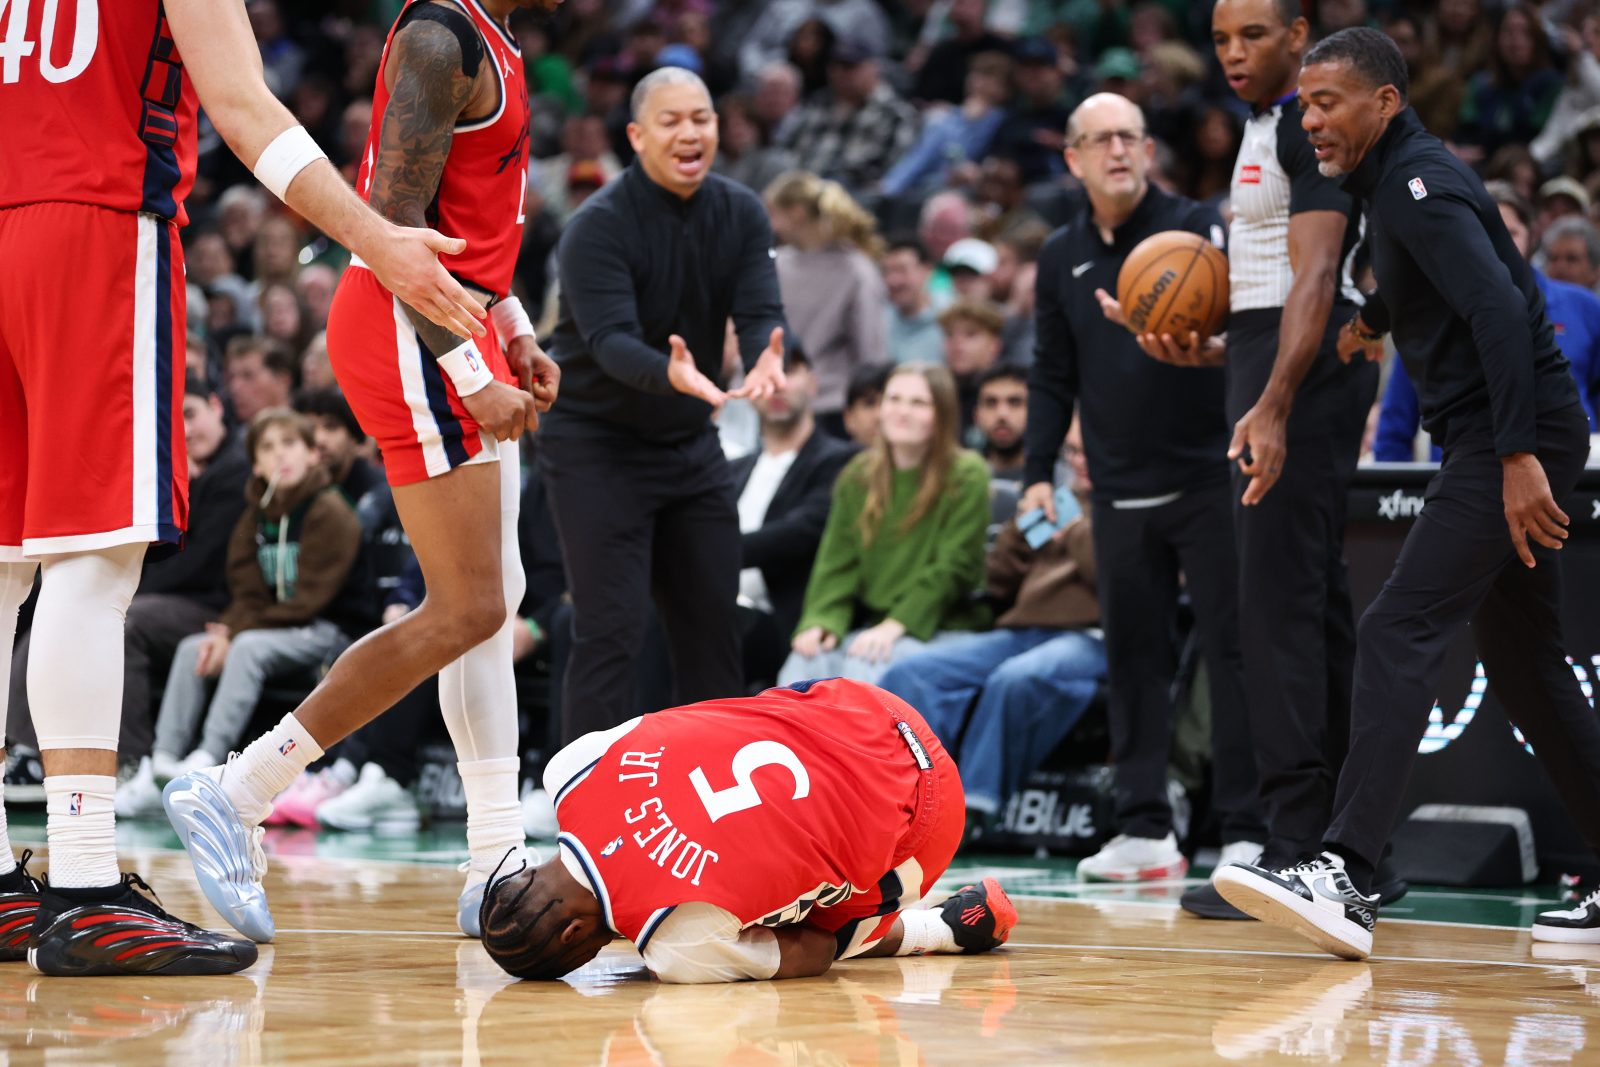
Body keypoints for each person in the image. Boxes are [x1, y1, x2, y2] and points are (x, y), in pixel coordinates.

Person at [0, 0, 488, 976]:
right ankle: (89, 886)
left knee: (6, 571)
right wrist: (377, 239)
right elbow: (244, 108)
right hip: (92, 225)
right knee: (92, 566)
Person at [161, 0, 565, 950]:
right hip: (407, 330)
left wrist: (513, 333)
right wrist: (472, 373)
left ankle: (493, 857)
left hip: (457, 325)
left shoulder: (499, 39)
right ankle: (240, 786)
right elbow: (394, 226)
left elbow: (473, 234)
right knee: (468, 605)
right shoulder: (439, 37)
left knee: (491, 599)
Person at [1214, 28, 1600, 960]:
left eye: (1328, 103)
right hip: (1509, 437)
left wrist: (1515, 460)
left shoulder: (1417, 186)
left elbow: (1506, 310)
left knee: (1396, 628)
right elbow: (1435, 276)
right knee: (1527, 667)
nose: (1310, 122)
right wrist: (1370, 324)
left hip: (1512, 442)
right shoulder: (1397, 183)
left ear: (1385, 101)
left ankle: (1345, 870)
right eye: (1304, 106)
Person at [1173, 0, 1385, 921]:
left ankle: (1298, 845)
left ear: (1301, 37)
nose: (1232, 54)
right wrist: (1212, 352)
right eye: (1220, 39)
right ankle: (1352, 845)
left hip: (1301, 371)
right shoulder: (1263, 126)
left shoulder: (1309, 126)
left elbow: (1317, 275)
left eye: (1252, 35)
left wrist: (1272, 398)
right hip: (1271, 358)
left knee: (1278, 607)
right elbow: (1267, 285)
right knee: (1313, 601)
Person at [1025, 93, 1263, 882]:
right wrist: (1035, 476)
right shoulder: (1059, 255)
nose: (1117, 150)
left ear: (1149, 149)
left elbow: (1244, 341)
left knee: (1234, 651)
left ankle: (1244, 827)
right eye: (1100, 139)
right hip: (1118, 489)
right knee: (1133, 659)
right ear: (1074, 158)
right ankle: (1144, 828)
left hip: (1208, 474)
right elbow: (1052, 375)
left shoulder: (1197, 228)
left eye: (1130, 136)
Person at [536, 67, 788, 752]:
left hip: (687, 441)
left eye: (701, 118)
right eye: (672, 121)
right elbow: (610, 340)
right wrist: (669, 371)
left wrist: (769, 353)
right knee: (609, 629)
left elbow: (761, 309)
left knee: (713, 626)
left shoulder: (740, 211)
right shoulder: (595, 227)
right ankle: (581, 815)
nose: (690, 133)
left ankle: (716, 806)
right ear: (638, 136)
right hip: (595, 444)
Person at [477, 676, 1016, 983]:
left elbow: (814, 953)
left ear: (574, 936)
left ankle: (943, 929)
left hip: (930, 808)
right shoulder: (571, 767)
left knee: (821, 926)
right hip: (860, 703)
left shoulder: (679, 947)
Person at [8, 376, 249, 771]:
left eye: (192, 414)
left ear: (217, 407)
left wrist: (119, 588)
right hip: (157, 595)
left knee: (126, 622)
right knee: (48, 618)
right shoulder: (169, 472)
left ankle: (130, 760)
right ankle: (26, 748)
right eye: (176, 421)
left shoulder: (236, 473)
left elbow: (199, 565)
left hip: (209, 607)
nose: (186, 431)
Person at [879, 421, 1104, 826]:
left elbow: (1112, 580)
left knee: (1016, 679)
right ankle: (904, 800)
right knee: (913, 673)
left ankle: (971, 810)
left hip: (1092, 636)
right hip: (1023, 631)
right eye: (1072, 452)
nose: (1079, 462)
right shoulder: (1058, 500)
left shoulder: (1125, 504)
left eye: (1088, 451)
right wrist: (1018, 535)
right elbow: (999, 583)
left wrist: (1072, 531)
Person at [135, 409, 363, 795]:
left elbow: (308, 602)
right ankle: (162, 762)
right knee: (195, 648)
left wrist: (235, 633)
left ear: (312, 454)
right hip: (274, 627)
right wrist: (224, 631)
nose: (280, 456)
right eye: (268, 448)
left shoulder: (330, 510)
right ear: (255, 464)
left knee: (246, 648)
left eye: (290, 444)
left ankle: (208, 758)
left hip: (325, 630)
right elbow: (246, 593)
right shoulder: (253, 518)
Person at [779, 364, 990, 686]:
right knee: (803, 666)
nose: (902, 411)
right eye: (894, 399)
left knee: (864, 671)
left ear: (943, 413)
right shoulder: (858, 475)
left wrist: (896, 624)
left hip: (943, 628)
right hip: (876, 629)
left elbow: (953, 568)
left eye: (919, 403)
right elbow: (836, 562)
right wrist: (821, 621)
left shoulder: (967, 474)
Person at [1376, 182, 1600, 459]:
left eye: (1511, 233)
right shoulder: (1428, 314)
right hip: (1462, 479)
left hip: (1573, 478)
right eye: (1482, 231)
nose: (1498, 243)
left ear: (1532, 236)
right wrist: (1395, 492)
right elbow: (1395, 426)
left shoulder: (1586, 307)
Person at [732, 347, 859, 689]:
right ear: (747, 388)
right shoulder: (732, 469)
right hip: (720, 604)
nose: (777, 385)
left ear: (814, 383)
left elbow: (802, 531)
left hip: (785, 620)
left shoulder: (843, 461)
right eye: (765, 375)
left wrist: (710, 554)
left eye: (788, 371)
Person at [764, 173, 888, 437]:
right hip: (819, 405)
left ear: (796, 213)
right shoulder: (858, 270)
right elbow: (871, 353)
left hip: (800, 407)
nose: (771, 226)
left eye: (774, 214)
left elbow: (870, 357)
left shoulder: (772, 266)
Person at [882, 236, 946, 366]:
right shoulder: (878, 321)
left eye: (902, 270)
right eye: (887, 271)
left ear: (927, 271)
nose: (893, 281)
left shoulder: (948, 321)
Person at [973, 364, 1028, 485]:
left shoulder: (1062, 480)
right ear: (976, 416)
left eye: (1015, 402)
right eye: (991, 403)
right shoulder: (961, 481)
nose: (1002, 414)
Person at [841, 363, 890, 448]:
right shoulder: (835, 460)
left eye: (887, 403)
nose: (879, 415)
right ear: (848, 417)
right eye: (869, 404)